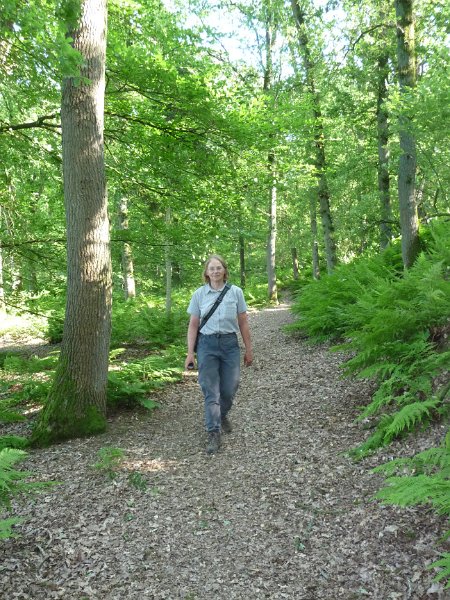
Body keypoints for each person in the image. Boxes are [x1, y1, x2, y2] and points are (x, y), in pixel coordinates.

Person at [185, 255, 253, 454]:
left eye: (218, 268)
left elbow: (243, 323)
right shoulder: (199, 294)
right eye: (211, 269)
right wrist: (190, 353)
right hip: (206, 344)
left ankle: (221, 415)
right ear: (206, 273)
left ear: (224, 271)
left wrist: (249, 350)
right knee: (210, 391)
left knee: (230, 388)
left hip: (230, 344)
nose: (215, 271)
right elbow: (193, 325)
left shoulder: (236, 292)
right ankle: (213, 432)